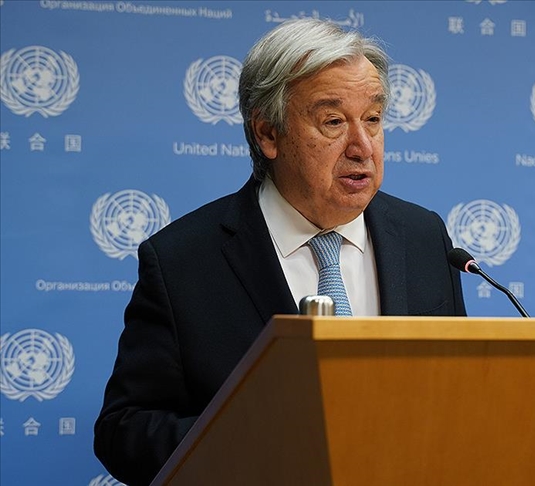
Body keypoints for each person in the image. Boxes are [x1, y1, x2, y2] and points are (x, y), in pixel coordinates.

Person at [93, 18, 466, 486]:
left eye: (373, 119)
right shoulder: (182, 261)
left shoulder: (424, 236)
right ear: (268, 134)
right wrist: (258, 443)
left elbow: (459, 394)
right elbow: (123, 430)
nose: (362, 147)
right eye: (333, 122)